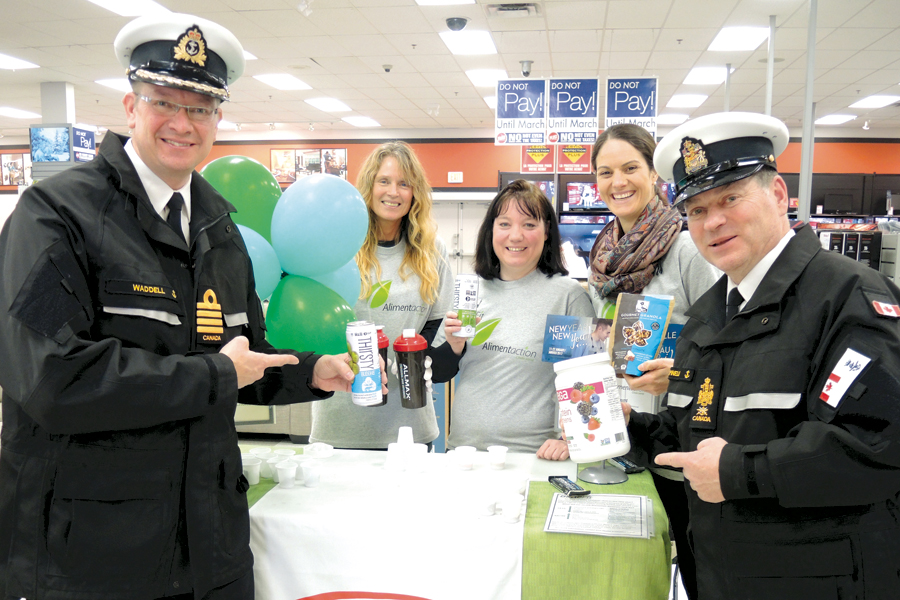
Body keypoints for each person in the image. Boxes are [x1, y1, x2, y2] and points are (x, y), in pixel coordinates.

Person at [0, 13, 375, 600]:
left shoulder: (219, 227)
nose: (182, 122)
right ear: (131, 106)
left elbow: (239, 358)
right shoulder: (55, 215)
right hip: (92, 556)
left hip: (209, 547)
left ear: (218, 119)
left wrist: (307, 372)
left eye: (200, 108)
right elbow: (52, 378)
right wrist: (217, 373)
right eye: (163, 101)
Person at [626, 111, 900, 599]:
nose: (713, 221)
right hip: (720, 575)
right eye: (695, 210)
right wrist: (625, 426)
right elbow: (694, 435)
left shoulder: (847, 295)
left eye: (730, 198)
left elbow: (877, 446)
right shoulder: (711, 315)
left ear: (778, 196)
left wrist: (736, 472)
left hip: (818, 582)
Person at [587, 123, 719, 600]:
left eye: (629, 168)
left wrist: (680, 371)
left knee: (696, 571)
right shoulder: (601, 260)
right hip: (617, 437)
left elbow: (724, 344)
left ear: (652, 174)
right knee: (628, 576)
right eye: (606, 172)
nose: (617, 182)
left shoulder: (686, 249)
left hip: (674, 443)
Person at [436, 180, 595, 460]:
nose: (516, 235)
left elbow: (588, 381)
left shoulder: (567, 296)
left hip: (532, 457)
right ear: (491, 231)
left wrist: (574, 439)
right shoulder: (470, 291)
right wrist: (453, 347)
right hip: (463, 452)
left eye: (529, 225)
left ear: (547, 232)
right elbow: (439, 372)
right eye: (505, 224)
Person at [310, 141, 455, 449]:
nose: (394, 192)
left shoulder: (433, 249)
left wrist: (411, 361)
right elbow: (317, 321)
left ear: (414, 192)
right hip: (341, 422)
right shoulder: (338, 244)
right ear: (369, 186)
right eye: (384, 181)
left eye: (404, 184)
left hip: (410, 422)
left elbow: (438, 322)